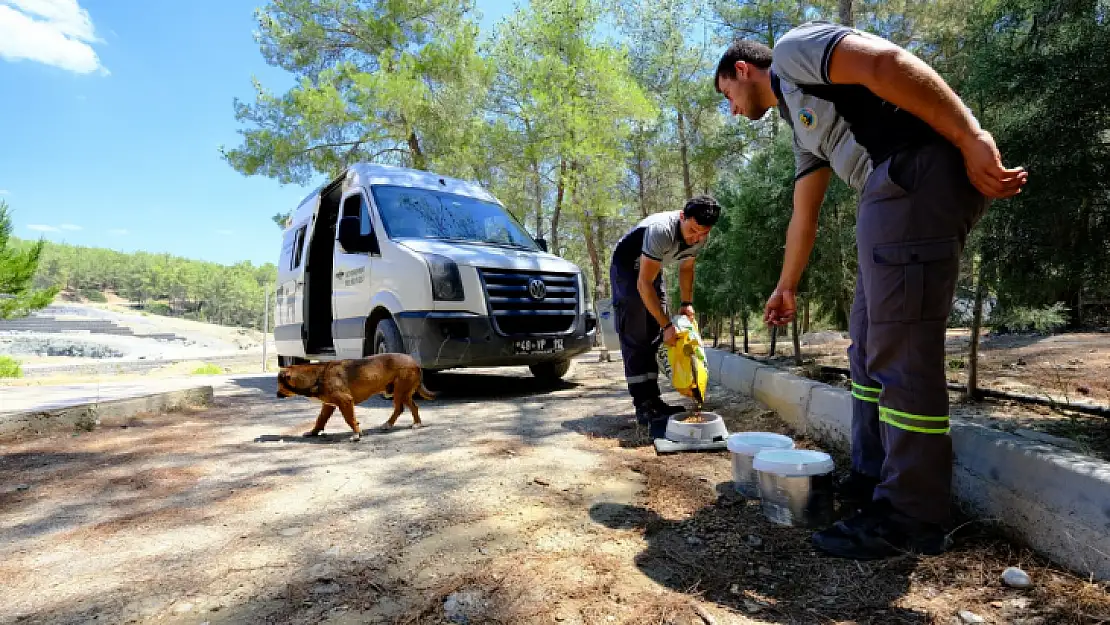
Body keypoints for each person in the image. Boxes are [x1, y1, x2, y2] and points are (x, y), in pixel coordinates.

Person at [714, 22, 1027, 560]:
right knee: (865, 344)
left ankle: (911, 515)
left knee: (900, 352)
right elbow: (803, 214)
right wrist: (786, 286)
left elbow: (883, 62)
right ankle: (873, 479)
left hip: (910, 175)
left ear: (743, 71)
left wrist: (971, 134)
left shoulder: (792, 54)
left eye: (728, 97)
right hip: (886, 194)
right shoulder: (802, 124)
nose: (734, 111)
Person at [609, 196, 721, 438]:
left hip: (652, 267)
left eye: (703, 233)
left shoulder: (701, 235)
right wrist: (667, 324)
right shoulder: (661, 231)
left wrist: (686, 304)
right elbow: (643, 283)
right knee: (637, 329)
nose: (696, 238)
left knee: (655, 333)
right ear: (682, 217)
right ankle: (643, 404)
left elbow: (687, 267)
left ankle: (654, 400)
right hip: (628, 267)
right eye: (692, 230)